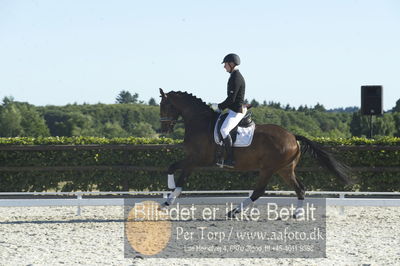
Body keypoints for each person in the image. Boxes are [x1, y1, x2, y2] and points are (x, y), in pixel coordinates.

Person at [211, 53, 246, 168]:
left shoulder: (236, 77)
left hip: (236, 111)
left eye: (225, 64)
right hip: (233, 110)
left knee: (224, 130)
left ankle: (230, 159)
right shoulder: (234, 76)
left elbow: (231, 99)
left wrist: (219, 107)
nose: (224, 67)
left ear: (231, 64)